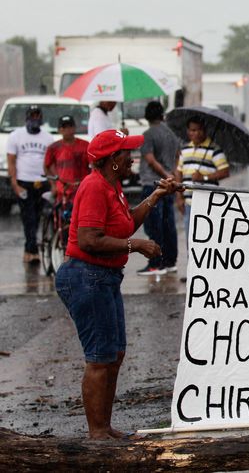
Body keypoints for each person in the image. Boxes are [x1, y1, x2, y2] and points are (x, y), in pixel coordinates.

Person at [53, 129, 183, 439]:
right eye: (127, 153)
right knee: (100, 358)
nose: (132, 158)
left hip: (104, 277)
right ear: (112, 159)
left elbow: (125, 224)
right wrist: (135, 245)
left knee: (114, 355)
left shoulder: (113, 187)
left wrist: (155, 196)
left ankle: (104, 427)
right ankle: (97, 433)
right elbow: (89, 239)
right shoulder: (94, 187)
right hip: (86, 276)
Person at [137, 101, 182, 276]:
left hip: (153, 184)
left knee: (154, 226)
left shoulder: (148, 135)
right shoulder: (171, 134)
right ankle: (170, 261)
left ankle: (156, 263)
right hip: (169, 186)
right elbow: (177, 157)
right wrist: (172, 176)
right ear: (162, 115)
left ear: (147, 116)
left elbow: (150, 160)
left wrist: (164, 175)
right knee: (168, 224)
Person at [7, 105, 55, 263]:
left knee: (41, 216)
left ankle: (32, 248)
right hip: (24, 182)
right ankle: (31, 250)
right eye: (32, 116)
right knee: (29, 218)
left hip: (42, 183)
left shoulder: (48, 138)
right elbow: (11, 162)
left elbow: (51, 163)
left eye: (37, 116)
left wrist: (53, 183)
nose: (35, 119)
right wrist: (15, 184)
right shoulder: (16, 136)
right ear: (27, 118)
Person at [175, 116, 230, 244]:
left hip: (209, 202)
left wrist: (204, 177)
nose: (196, 133)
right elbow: (179, 172)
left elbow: (225, 171)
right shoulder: (184, 149)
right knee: (191, 241)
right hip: (189, 203)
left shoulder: (214, 150)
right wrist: (179, 197)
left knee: (207, 240)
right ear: (188, 131)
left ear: (205, 130)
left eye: (199, 130)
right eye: (193, 130)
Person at [44, 114, 90, 202]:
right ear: (59, 130)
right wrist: (53, 185)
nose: (67, 130)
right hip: (62, 191)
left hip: (82, 189)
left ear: (75, 128)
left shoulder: (85, 145)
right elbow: (46, 166)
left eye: (70, 126)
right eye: (64, 127)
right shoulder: (53, 147)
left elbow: (94, 166)